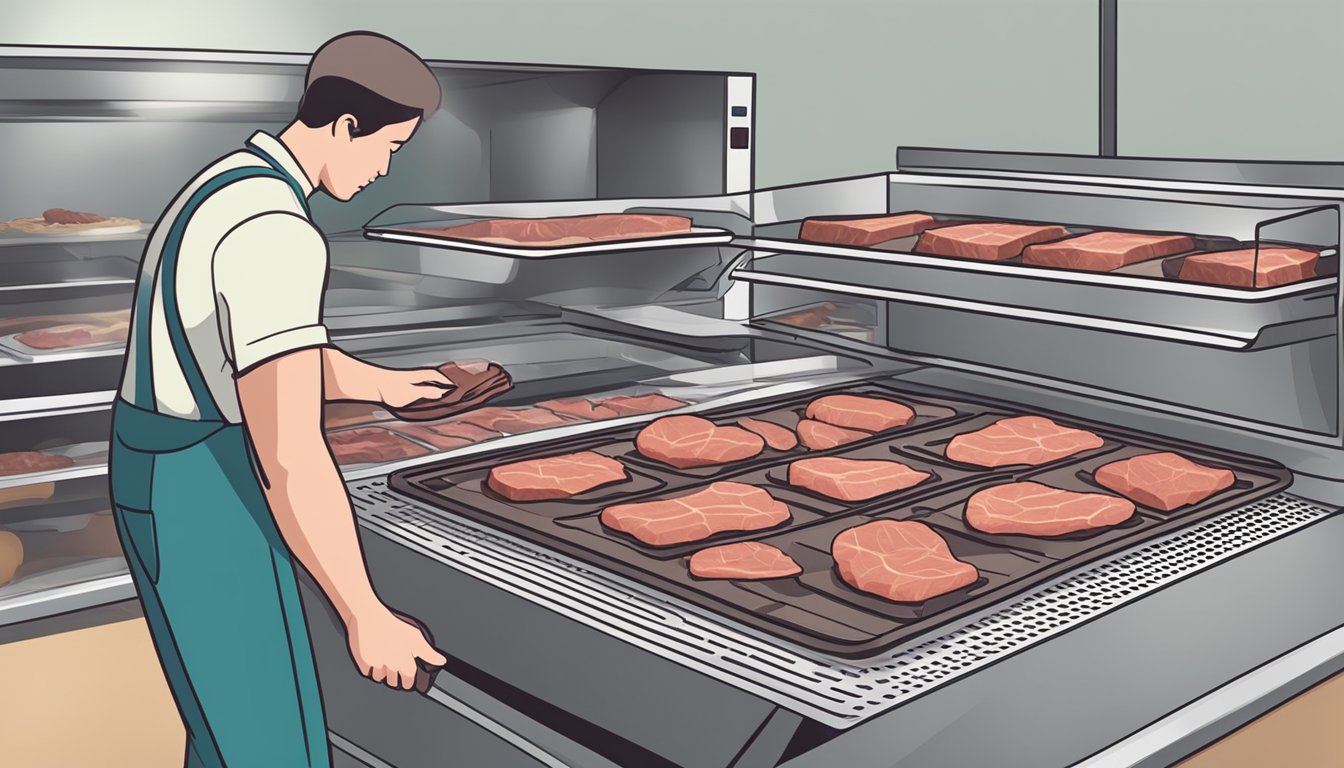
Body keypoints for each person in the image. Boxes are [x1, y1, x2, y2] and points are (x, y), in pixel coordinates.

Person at [108, 31, 450, 767]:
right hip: (200, 493)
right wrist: (365, 615)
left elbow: (245, 350)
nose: (387, 167)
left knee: (220, 724)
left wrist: (379, 384)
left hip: (150, 465)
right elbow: (290, 454)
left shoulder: (228, 182)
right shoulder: (277, 232)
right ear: (346, 126)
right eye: (390, 146)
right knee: (268, 743)